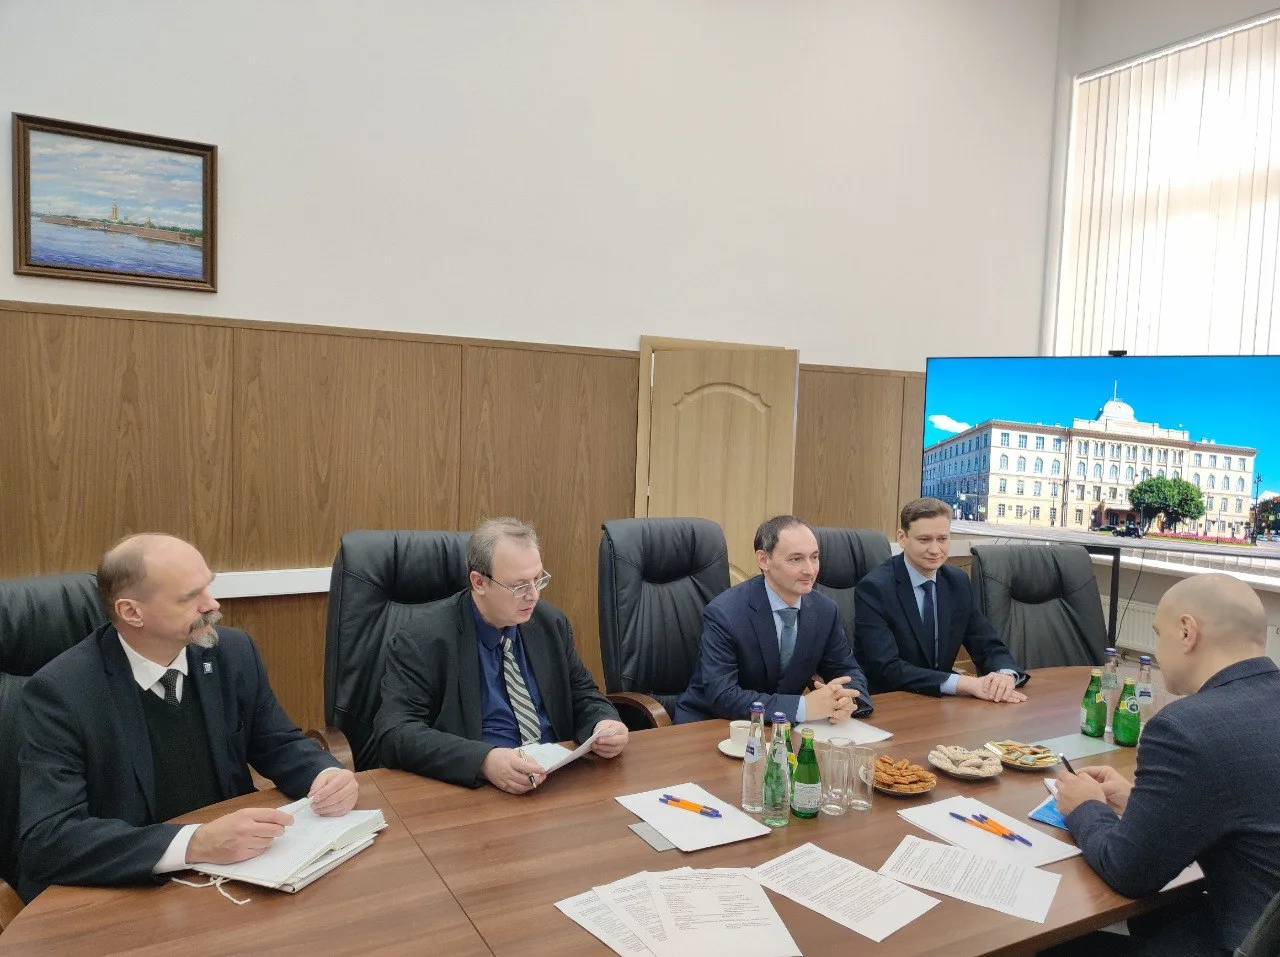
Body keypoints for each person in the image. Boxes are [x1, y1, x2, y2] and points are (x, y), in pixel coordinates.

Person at [17, 534, 358, 902]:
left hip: (240, 874)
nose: (212, 604)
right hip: (130, 891)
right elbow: (50, 838)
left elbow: (277, 743)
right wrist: (195, 843)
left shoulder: (233, 652)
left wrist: (323, 775)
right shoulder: (62, 692)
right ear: (132, 612)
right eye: (189, 597)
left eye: (208, 587)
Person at [1053, 573, 1280, 957]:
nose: (1157, 650)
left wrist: (1086, 806)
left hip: (1239, 941)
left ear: (1187, 631)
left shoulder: (1185, 727)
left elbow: (1128, 873)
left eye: (1158, 634)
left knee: (1060, 940)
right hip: (1258, 918)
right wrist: (1143, 802)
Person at [374, 518, 628, 793]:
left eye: (538, 580)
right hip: (479, 791)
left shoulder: (550, 624)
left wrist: (603, 722)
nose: (534, 596)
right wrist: (484, 761)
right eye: (520, 586)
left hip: (558, 780)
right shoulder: (424, 640)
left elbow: (582, 692)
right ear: (479, 582)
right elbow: (395, 733)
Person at [674, 515, 873, 724]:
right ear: (764, 560)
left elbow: (847, 670)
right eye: (796, 559)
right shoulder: (725, 613)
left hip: (778, 728)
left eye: (814, 557)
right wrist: (801, 708)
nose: (810, 570)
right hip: (713, 723)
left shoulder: (825, 610)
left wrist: (848, 700)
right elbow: (723, 696)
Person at [854, 497, 1026, 700]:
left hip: (940, 701)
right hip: (892, 700)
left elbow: (986, 643)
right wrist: (965, 683)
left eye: (942, 539)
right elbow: (887, 668)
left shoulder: (957, 581)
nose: (935, 550)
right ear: (902, 538)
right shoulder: (875, 588)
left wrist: (1005, 674)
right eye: (924, 540)